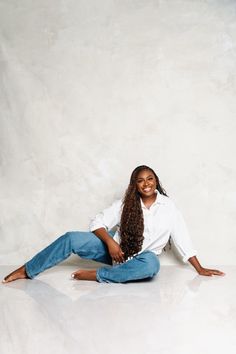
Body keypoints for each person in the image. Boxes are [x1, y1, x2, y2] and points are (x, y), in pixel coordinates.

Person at [2, 165, 225, 284]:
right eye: (140, 180)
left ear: (156, 181)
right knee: (71, 237)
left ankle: (97, 276)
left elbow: (182, 238)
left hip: (143, 256)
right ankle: (27, 270)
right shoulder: (125, 204)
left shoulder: (169, 207)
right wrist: (110, 243)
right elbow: (98, 222)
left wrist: (200, 268)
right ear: (135, 185)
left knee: (151, 268)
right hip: (116, 250)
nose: (146, 183)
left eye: (150, 178)